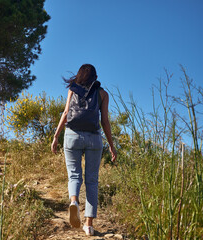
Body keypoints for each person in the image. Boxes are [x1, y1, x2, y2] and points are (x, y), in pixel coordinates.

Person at [51, 64, 117, 236]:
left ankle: (74, 202)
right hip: (94, 138)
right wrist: (111, 145)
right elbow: (105, 122)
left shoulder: (72, 90)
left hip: (72, 135)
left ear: (79, 75)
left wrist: (56, 136)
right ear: (95, 77)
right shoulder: (103, 94)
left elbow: (66, 113)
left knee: (74, 175)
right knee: (92, 181)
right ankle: (88, 225)